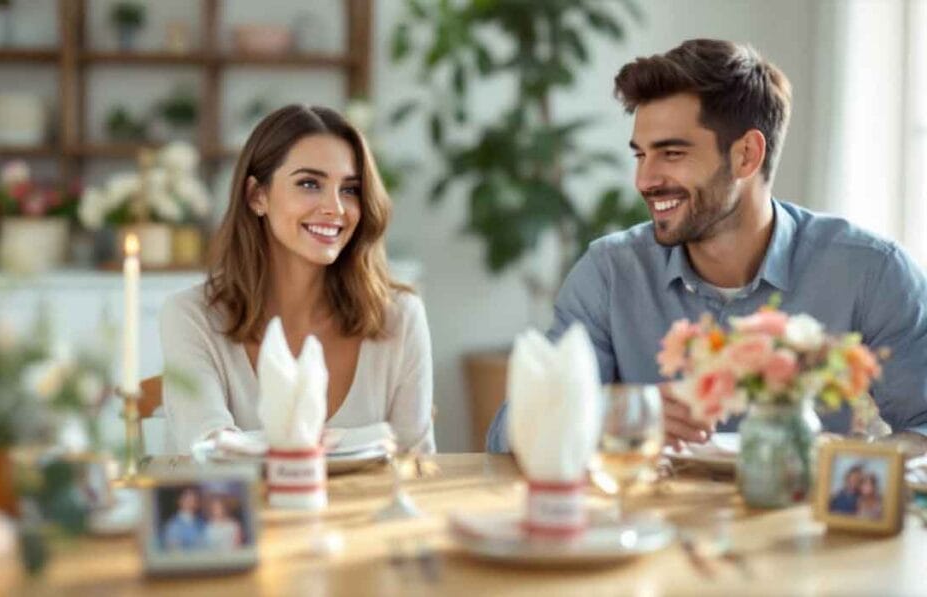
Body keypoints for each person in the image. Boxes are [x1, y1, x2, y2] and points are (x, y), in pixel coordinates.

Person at [487, 38, 927, 454]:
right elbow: (509, 432)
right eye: (640, 155)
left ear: (746, 156)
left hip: (804, 528)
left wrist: (850, 460)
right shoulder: (610, 271)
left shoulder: (870, 273)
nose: (644, 180)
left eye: (671, 154)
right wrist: (610, 416)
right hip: (651, 530)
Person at [161, 104, 435, 454]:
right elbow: (210, 453)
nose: (335, 208)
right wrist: (362, 441)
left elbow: (417, 467)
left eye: (349, 189)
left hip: (361, 511)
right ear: (256, 196)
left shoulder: (400, 317)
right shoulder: (190, 315)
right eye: (310, 183)